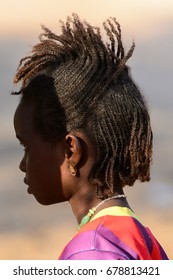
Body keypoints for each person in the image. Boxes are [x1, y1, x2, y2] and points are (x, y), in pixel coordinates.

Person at [12, 14, 168, 260]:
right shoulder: (143, 239)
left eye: (27, 147)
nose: (22, 164)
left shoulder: (92, 251)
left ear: (71, 151)